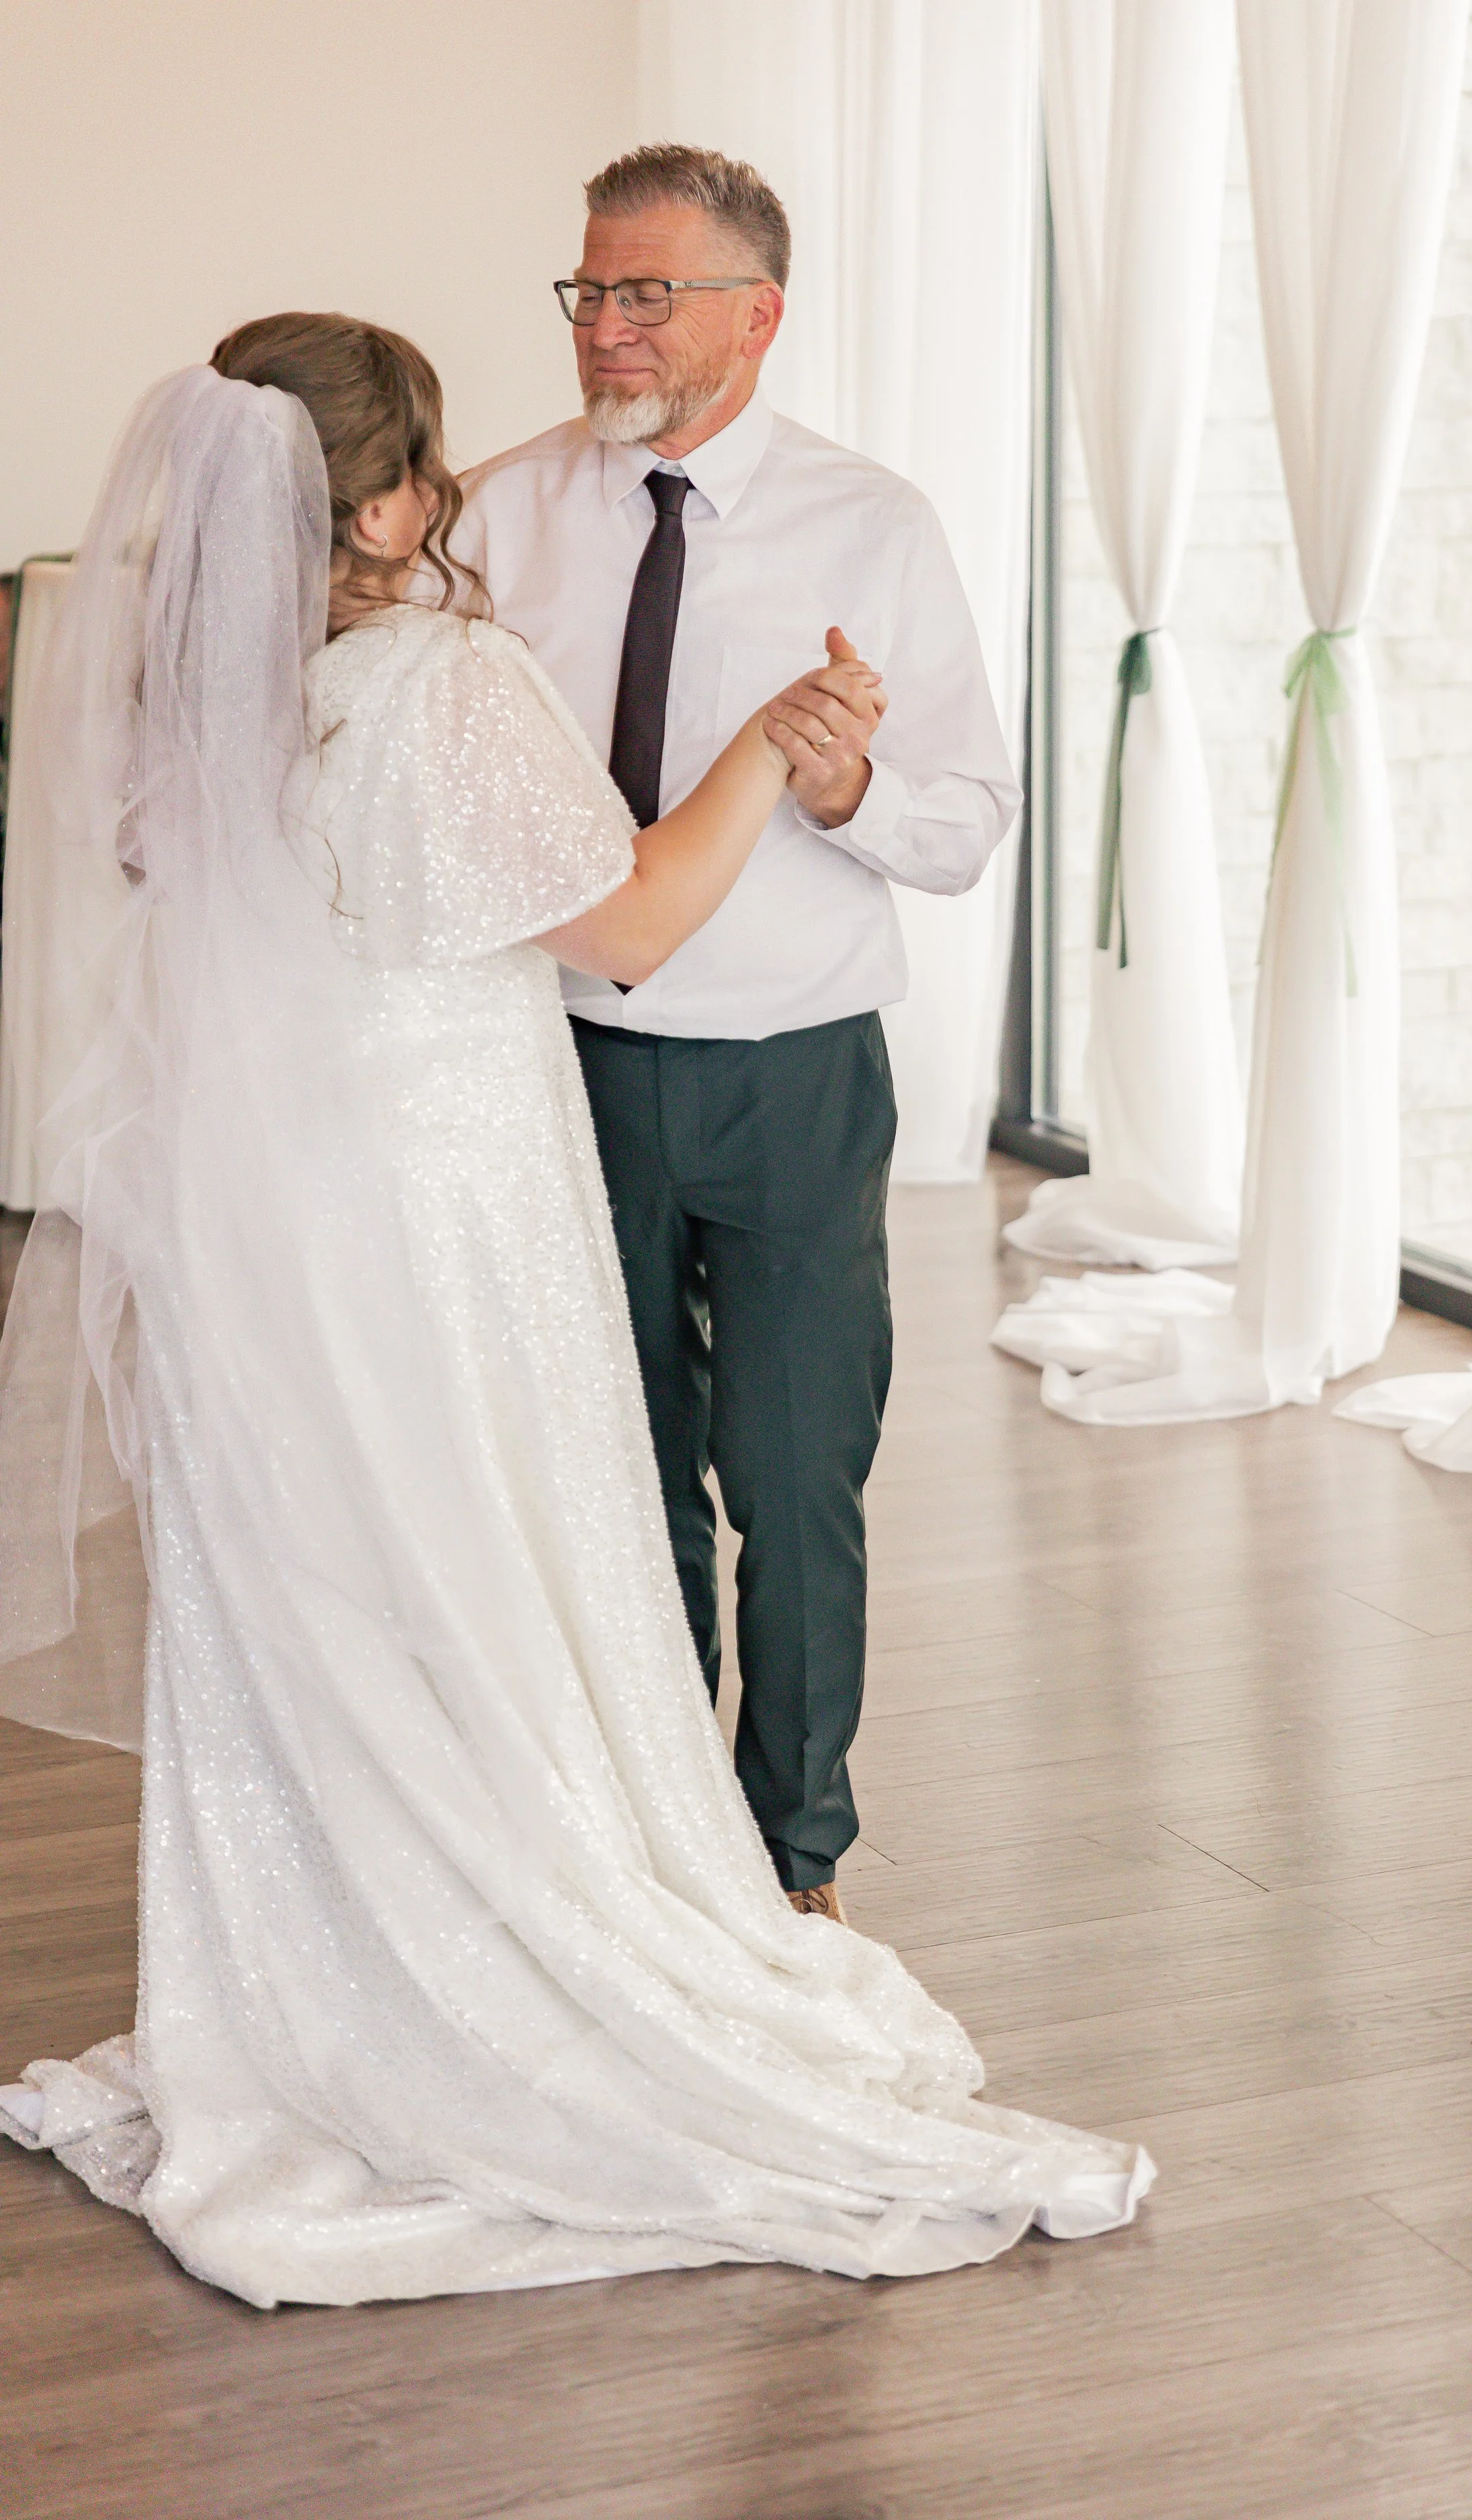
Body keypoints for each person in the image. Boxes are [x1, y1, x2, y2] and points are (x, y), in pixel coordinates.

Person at [0, 319, 1151, 2308]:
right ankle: (517, 1968)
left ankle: (308, 1990)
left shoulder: (208, 698)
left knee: (327, 1598)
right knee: (493, 1568)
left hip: (266, 1218)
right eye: (425, 468)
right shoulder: (443, 678)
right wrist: (750, 755)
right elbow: (620, 919)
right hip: (439, 1208)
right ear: (372, 504)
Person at [453, 146, 1021, 1920]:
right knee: (611, 1483)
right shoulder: (494, 514)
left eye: (646, 296)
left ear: (755, 315)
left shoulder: (876, 524)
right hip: (553, 1067)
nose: (604, 330)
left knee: (791, 1478)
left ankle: (792, 1862)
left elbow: (966, 817)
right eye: (588, 292)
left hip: (791, 1073)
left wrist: (849, 782)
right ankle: (645, 1838)